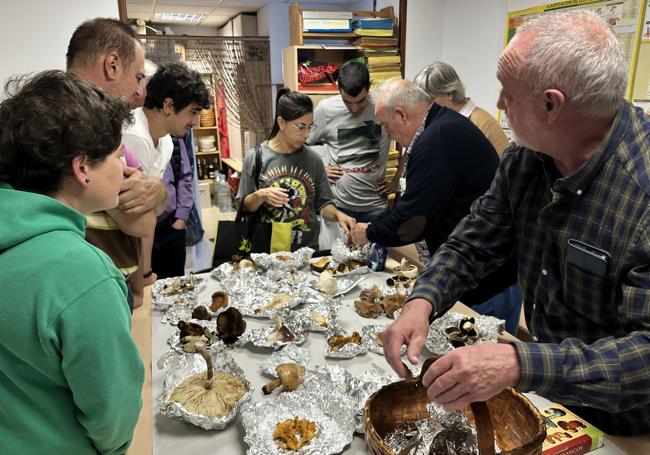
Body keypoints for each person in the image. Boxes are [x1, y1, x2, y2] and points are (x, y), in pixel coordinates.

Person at [383, 11, 650, 436]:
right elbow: (474, 242)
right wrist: (423, 301)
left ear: (551, 104)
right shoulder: (527, 158)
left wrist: (517, 361)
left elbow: (645, 358)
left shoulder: (641, 191)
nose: (500, 104)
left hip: (627, 427)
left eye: (507, 93)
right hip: (555, 403)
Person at [0, 70, 144, 454]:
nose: (125, 168)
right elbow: (112, 415)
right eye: (116, 155)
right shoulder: (82, 273)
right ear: (83, 169)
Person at [350, 80, 512, 305]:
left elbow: (413, 220)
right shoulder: (443, 123)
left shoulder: (433, 142)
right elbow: (412, 200)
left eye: (386, 125)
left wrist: (370, 232)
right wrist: (374, 225)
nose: (386, 133)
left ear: (402, 115)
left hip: (485, 282)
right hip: (491, 271)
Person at [414, 61, 522, 335]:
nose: (423, 108)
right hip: (468, 260)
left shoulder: (477, 125)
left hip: (492, 270)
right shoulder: (445, 126)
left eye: (428, 100)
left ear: (449, 94)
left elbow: (499, 201)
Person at [66, 17, 167, 308]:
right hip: (87, 297)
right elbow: (142, 222)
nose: (139, 94)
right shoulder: (72, 125)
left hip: (105, 291)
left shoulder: (107, 131)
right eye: (137, 77)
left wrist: (157, 191)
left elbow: (152, 203)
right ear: (112, 65)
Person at [237, 88, 356, 250]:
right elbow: (244, 205)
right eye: (301, 127)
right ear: (281, 123)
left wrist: (338, 215)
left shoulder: (313, 160)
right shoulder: (256, 157)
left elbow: (324, 204)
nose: (307, 135)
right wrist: (261, 195)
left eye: (310, 127)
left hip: (307, 249)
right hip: (267, 249)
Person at [122, 63, 210, 280]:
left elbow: (149, 207)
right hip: (124, 249)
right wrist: (143, 274)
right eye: (193, 112)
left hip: (156, 232)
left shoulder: (166, 142)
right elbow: (134, 214)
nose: (196, 122)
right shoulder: (133, 136)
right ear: (169, 105)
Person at [307, 61, 391, 223]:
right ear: (338, 87)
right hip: (338, 205)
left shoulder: (385, 105)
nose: (354, 109)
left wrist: (396, 181)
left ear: (370, 86)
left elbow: (409, 142)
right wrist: (319, 169)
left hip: (376, 207)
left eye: (361, 101)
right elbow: (301, 143)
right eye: (348, 102)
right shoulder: (326, 109)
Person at [414, 61, 510, 156]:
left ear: (449, 93)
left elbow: (505, 166)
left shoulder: (485, 125)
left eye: (430, 99)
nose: (425, 106)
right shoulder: (433, 123)